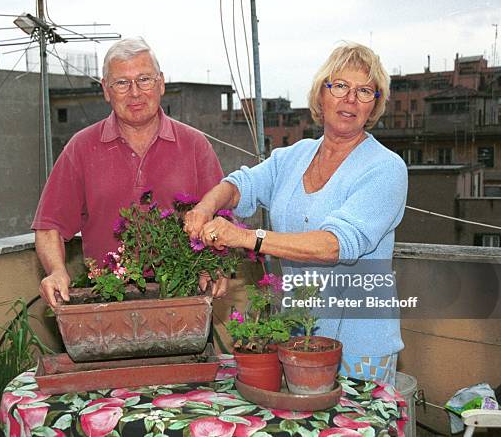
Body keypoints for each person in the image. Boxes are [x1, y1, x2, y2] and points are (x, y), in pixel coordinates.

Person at [184, 42, 408, 384]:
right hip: (297, 335)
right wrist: (204, 208)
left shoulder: (386, 169)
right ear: (321, 94)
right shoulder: (294, 156)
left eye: (364, 91)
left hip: (361, 346)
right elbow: (239, 184)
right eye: (340, 86)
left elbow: (335, 245)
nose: (350, 99)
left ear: (374, 104)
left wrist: (246, 237)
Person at [33, 37, 224, 307]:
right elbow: (49, 226)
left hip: (185, 300)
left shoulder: (195, 145)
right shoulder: (81, 147)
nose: (135, 92)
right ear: (106, 90)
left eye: (144, 79)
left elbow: (222, 218)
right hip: (104, 301)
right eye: (122, 83)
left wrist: (213, 265)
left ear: (161, 83)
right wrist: (56, 271)